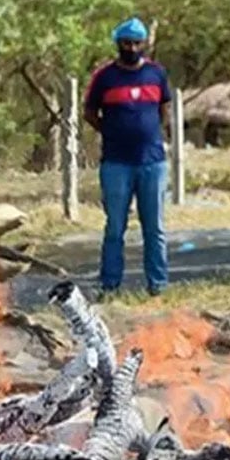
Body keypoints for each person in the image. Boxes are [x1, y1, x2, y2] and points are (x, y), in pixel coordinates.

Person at [83, 17, 171, 297]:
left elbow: (164, 107)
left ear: (143, 44)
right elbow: (89, 112)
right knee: (114, 227)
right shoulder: (105, 77)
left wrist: (151, 131)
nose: (131, 48)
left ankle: (157, 285)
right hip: (116, 163)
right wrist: (109, 131)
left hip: (152, 162)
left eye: (136, 43)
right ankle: (110, 285)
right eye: (126, 43)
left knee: (154, 227)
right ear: (118, 43)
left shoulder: (157, 74)